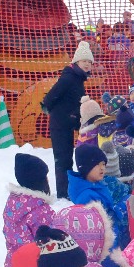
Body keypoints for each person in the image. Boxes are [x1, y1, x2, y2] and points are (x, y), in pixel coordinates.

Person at [68, 142, 132, 267]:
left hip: (113, 238)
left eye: (103, 164)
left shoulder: (97, 186)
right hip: (105, 245)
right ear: (85, 168)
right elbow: (96, 227)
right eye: (97, 165)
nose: (102, 168)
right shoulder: (87, 196)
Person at [41, 41, 94, 197]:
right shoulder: (69, 77)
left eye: (90, 62)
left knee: (67, 157)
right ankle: (63, 193)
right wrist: (47, 107)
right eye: (84, 61)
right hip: (60, 124)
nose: (87, 65)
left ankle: (68, 190)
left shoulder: (77, 78)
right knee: (63, 159)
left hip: (69, 122)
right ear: (76, 61)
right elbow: (53, 94)